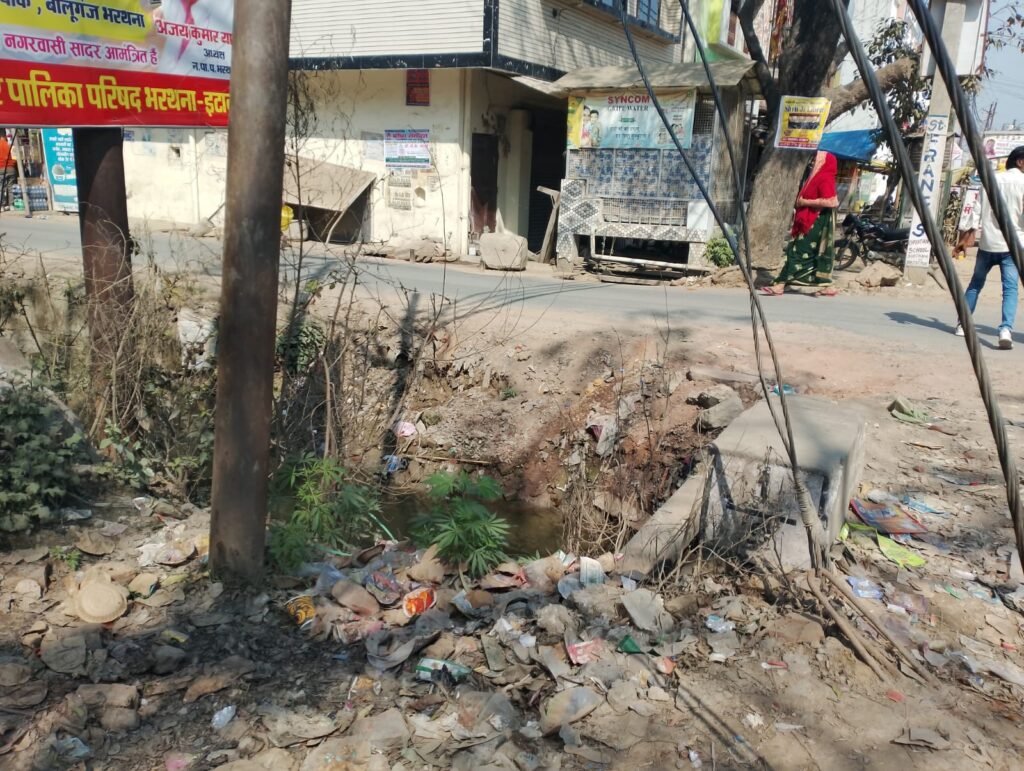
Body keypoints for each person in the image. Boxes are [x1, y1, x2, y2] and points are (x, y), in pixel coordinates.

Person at [955, 145, 1024, 349]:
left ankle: (962, 324)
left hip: (988, 243)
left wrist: (966, 238)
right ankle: (1005, 330)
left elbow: (976, 211)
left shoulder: (991, 180)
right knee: (1010, 289)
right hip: (1013, 246)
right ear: (1020, 161)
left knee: (976, 284)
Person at [761, 151, 840, 296]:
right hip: (807, 221)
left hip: (814, 222)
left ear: (824, 162)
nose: (812, 162)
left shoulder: (824, 178)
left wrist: (805, 202)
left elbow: (832, 201)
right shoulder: (815, 177)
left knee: (797, 252)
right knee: (804, 253)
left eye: (816, 160)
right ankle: (827, 286)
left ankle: (780, 284)